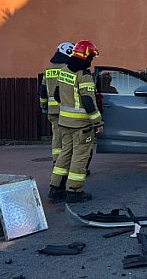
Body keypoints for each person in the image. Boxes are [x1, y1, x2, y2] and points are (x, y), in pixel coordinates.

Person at [49, 40, 103, 203]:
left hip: (64, 123)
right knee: (80, 157)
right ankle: (74, 191)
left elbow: (57, 95)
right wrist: (98, 122)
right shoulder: (84, 74)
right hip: (81, 126)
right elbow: (87, 100)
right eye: (91, 56)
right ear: (86, 56)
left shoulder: (64, 70)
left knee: (65, 154)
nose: (92, 60)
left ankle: (55, 188)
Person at [39, 42, 75, 166]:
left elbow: (43, 90)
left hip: (52, 111)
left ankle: (56, 161)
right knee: (68, 138)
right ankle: (66, 164)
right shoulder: (68, 69)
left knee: (56, 136)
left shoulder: (48, 70)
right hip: (67, 110)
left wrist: (44, 106)